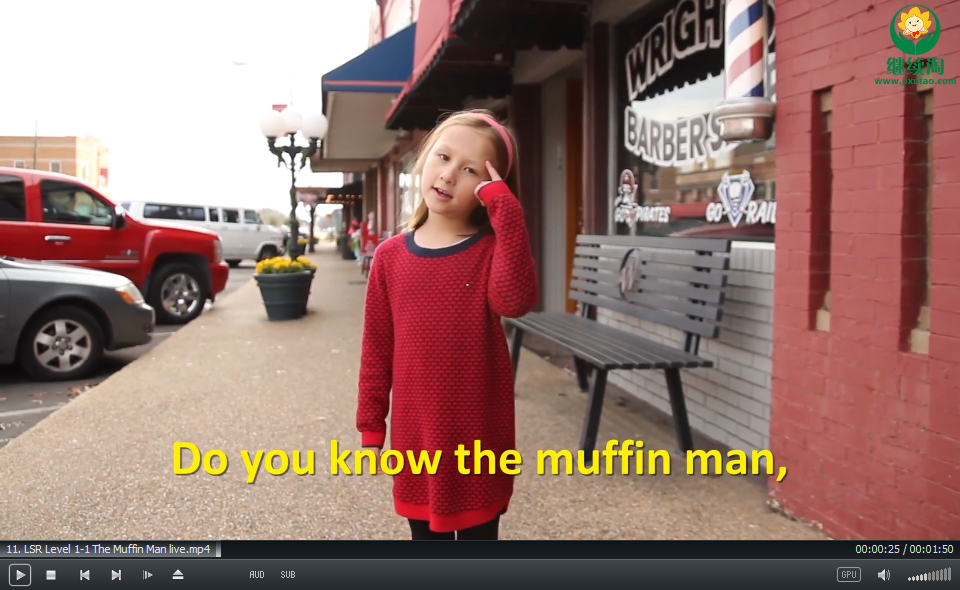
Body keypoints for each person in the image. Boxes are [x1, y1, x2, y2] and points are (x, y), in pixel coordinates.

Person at [356, 109, 538, 541]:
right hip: (416, 437)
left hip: (480, 435)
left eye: (471, 170)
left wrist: (506, 211)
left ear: (490, 187)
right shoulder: (390, 257)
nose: (450, 174)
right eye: (443, 157)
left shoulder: (491, 251)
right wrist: (371, 423)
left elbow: (515, 301)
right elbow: (377, 347)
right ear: (424, 159)